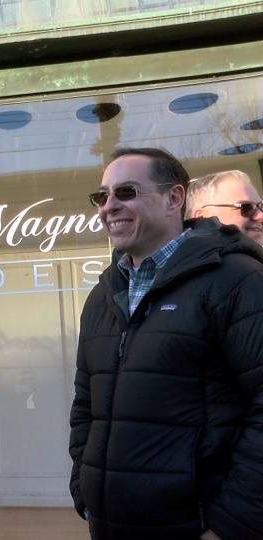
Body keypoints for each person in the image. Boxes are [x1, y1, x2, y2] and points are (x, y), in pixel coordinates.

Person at [69, 147, 263, 540]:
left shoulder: (237, 279)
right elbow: (85, 405)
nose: (109, 206)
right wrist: (84, 486)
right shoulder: (104, 293)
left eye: (126, 192)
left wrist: (230, 525)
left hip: (200, 525)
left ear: (174, 198)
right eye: (101, 196)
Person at [186, 169, 263, 244]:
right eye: (246, 207)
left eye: (261, 207)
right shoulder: (184, 255)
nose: (260, 216)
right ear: (200, 217)